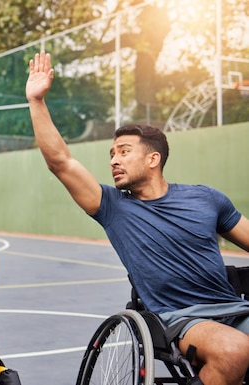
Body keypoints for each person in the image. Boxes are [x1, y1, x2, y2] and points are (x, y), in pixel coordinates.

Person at [25, 51, 249, 385]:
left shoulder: (207, 198)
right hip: (181, 319)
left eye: (124, 151)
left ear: (153, 159)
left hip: (234, 309)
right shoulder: (112, 205)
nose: (114, 160)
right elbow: (61, 162)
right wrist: (36, 101)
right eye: (111, 154)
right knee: (235, 352)